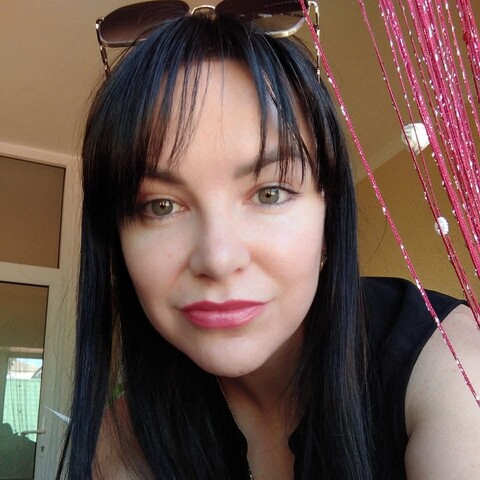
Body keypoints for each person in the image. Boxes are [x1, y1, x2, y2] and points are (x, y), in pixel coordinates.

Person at [58, 3, 480, 479]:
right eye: (160, 206)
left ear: (328, 221)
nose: (218, 258)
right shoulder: (126, 438)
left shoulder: (450, 365)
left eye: (270, 193)